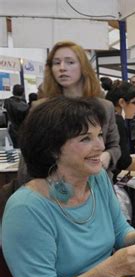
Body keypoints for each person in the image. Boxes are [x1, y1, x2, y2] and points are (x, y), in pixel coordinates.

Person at [1, 97, 135, 277]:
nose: (100, 146)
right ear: (53, 149)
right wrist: (110, 268)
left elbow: (120, 231)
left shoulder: (97, 178)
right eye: (85, 138)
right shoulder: (26, 209)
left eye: (99, 135)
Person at [17, 40, 121, 184]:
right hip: (54, 187)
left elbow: (114, 146)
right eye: (56, 63)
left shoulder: (104, 107)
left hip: (96, 186)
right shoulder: (41, 109)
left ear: (83, 67)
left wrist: (107, 156)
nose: (62, 68)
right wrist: (26, 189)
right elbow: (28, 155)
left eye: (70, 62)